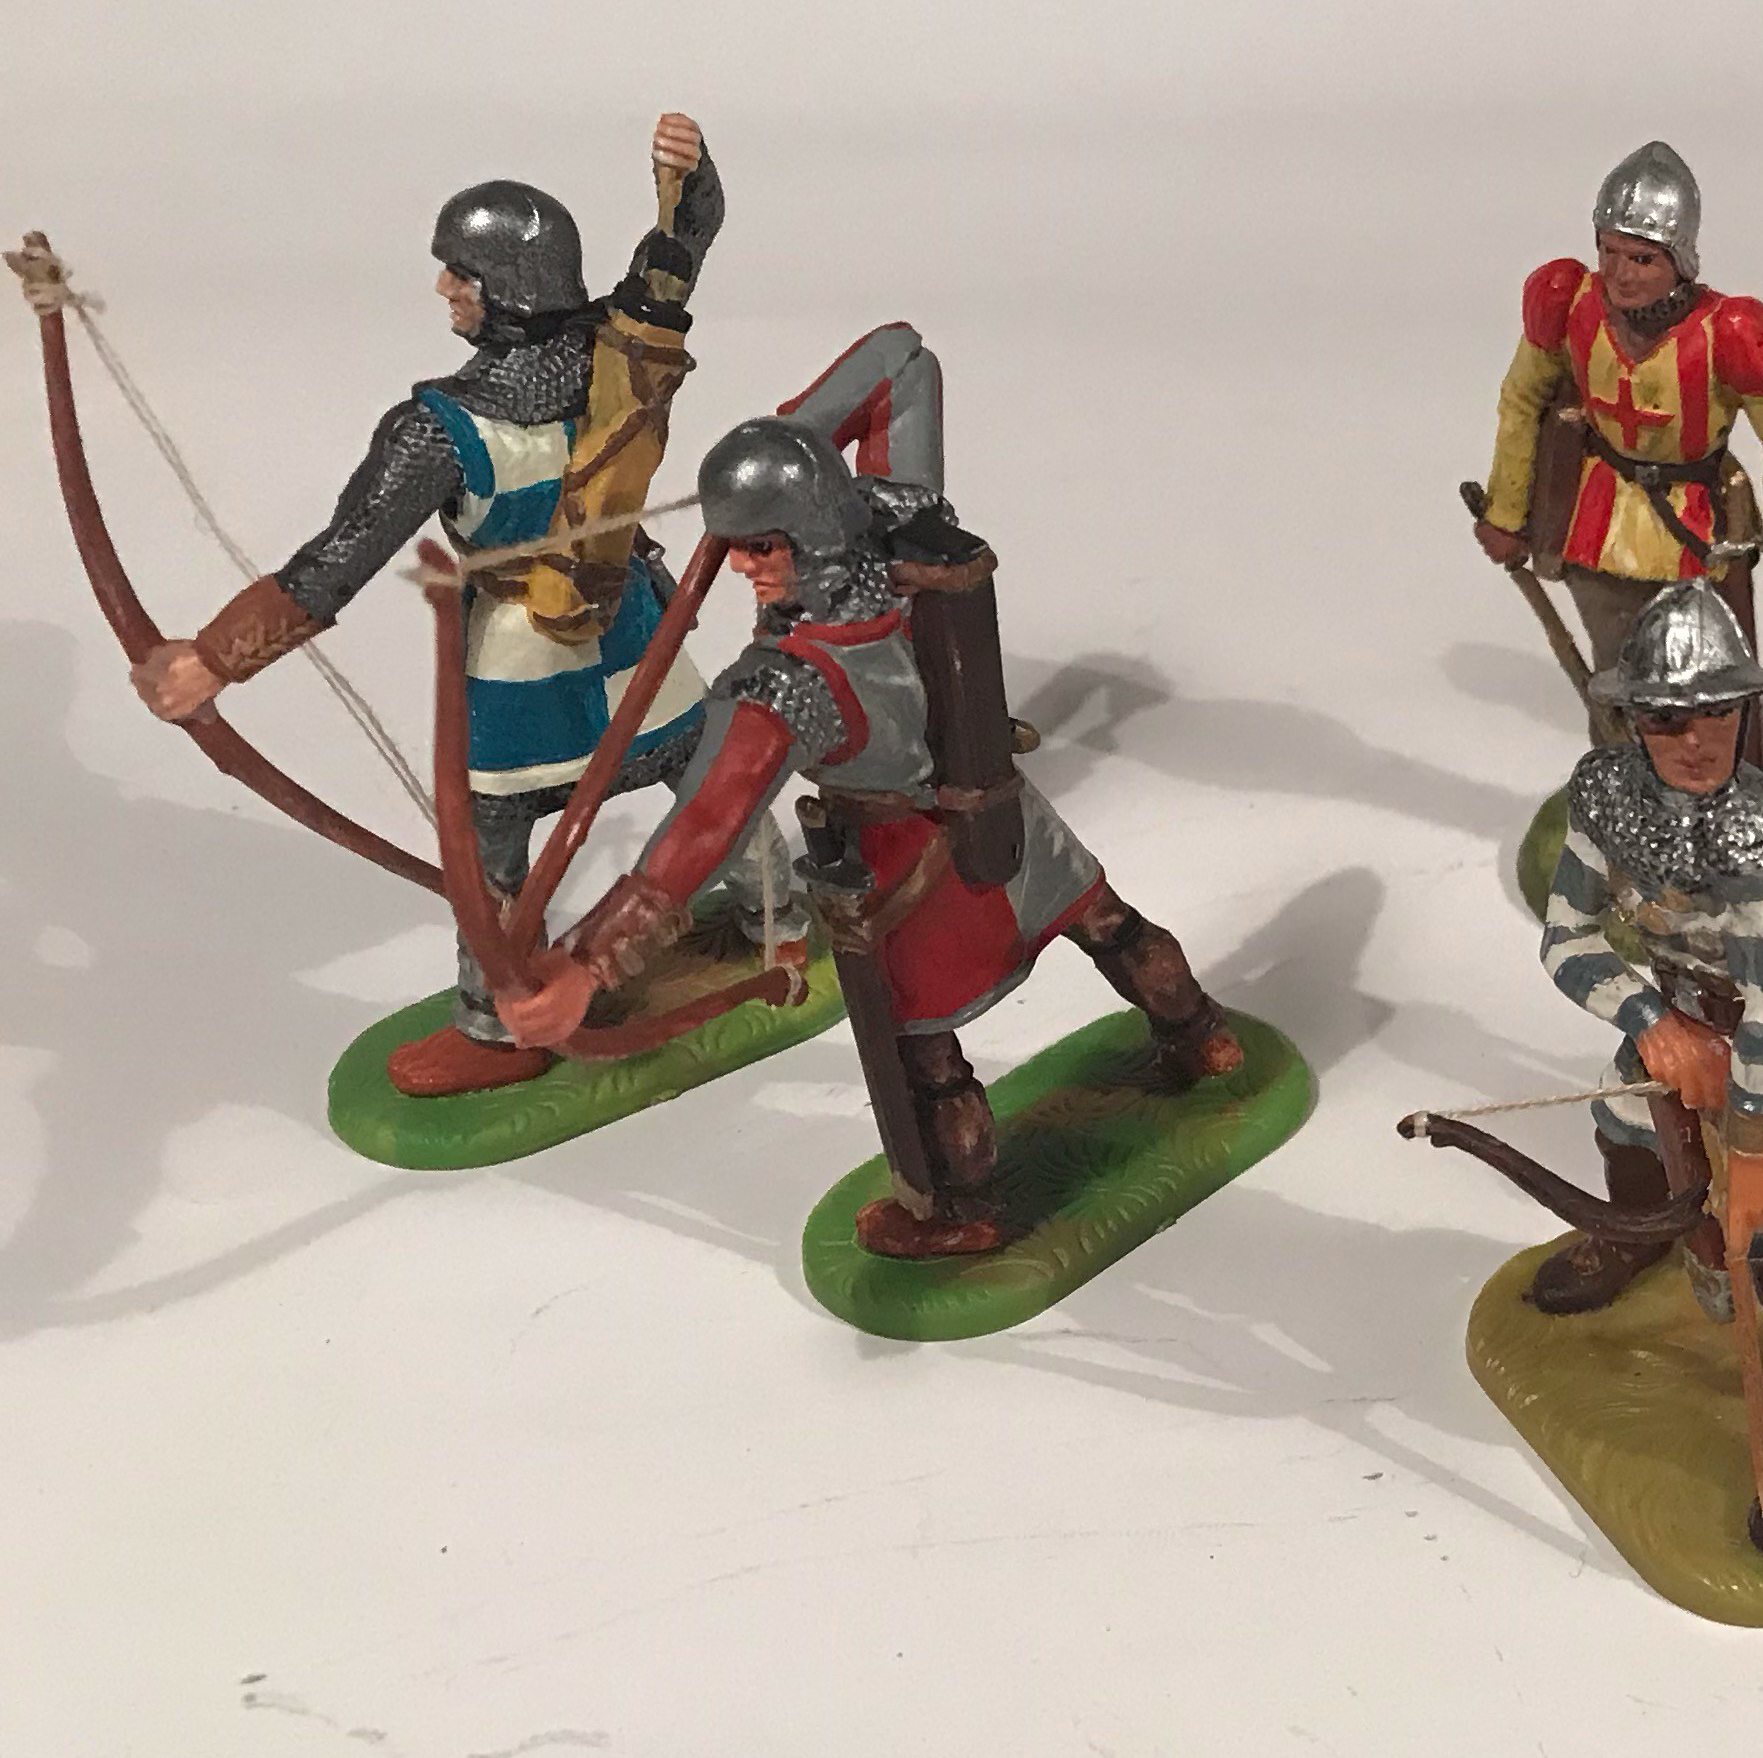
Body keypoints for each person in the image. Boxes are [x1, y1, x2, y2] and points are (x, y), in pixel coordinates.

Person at [127, 113, 796, 1095]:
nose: (445, 289)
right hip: (630, 630)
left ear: (507, 287)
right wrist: (688, 186)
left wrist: (211, 661)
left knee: (495, 847)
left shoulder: (439, 430)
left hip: (533, 660)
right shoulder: (620, 347)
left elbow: (338, 562)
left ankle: (500, 1022)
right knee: (698, 771)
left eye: (461, 274)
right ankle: (776, 913)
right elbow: (679, 248)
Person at [498, 419, 1242, 1259]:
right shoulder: (902, 535)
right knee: (1103, 920)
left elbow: (707, 820)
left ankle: (965, 1209)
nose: (740, 565)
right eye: (736, 545)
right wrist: (797, 442)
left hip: (907, 859)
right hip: (998, 806)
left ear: (811, 531)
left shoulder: (791, 685)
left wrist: (590, 962)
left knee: (926, 1055)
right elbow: (899, 367)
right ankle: (1201, 1038)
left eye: (762, 546)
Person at [1529, 580, 1763, 1554]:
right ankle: (1637, 1236)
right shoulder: (1607, 799)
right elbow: (1566, 939)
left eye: (1717, 712)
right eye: (1669, 719)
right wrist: (1651, 1023)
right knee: (1624, 1138)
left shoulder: (1759, 835)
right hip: (1671, 1026)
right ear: (1632, 720)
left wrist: (1754, 1151)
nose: (1697, 739)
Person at [1472, 142, 1763, 702]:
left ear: (1678, 261)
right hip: (1597, 525)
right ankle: (1623, 753)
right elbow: (1522, 399)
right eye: (1608, 252)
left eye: (1641, 259)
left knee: (1706, 682)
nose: (1619, 274)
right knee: (1618, 674)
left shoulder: (1729, 333)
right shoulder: (1570, 305)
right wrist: (1507, 513)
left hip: (1701, 534)